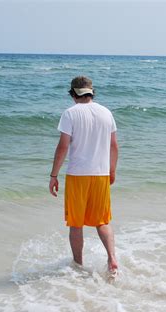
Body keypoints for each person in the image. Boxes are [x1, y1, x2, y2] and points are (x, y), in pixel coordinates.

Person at [49, 76, 119, 276]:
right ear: (92, 92)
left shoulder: (70, 113)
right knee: (102, 221)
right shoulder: (106, 112)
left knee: (76, 223)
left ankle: (78, 266)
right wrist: (112, 170)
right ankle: (112, 258)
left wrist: (54, 175)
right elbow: (114, 145)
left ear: (73, 94)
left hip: (78, 175)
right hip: (101, 174)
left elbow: (63, 146)